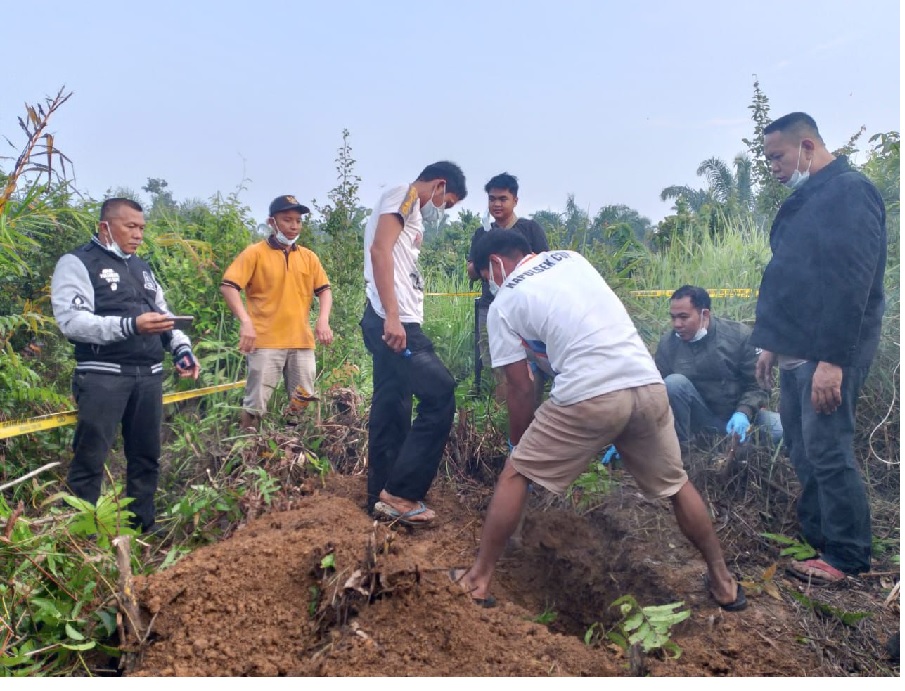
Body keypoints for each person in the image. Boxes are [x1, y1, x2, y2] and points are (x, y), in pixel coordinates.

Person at [451, 230, 745, 611]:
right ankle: (724, 584)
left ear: (495, 264)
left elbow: (520, 386)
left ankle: (476, 581)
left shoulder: (504, 302)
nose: (489, 285)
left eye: (486, 277)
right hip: (647, 384)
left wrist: (519, 447)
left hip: (591, 393)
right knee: (677, 485)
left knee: (515, 473)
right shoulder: (572, 259)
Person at [752, 112, 886, 584]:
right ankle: (817, 540)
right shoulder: (812, 196)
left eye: (777, 156)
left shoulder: (849, 192)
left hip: (828, 350)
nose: (771, 165)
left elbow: (852, 283)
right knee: (800, 445)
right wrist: (771, 343)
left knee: (828, 448)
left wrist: (833, 361)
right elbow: (793, 275)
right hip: (797, 346)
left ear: (807, 147)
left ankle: (847, 555)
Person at [50, 198, 200, 534]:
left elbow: (164, 314)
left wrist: (181, 349)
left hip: (148, 377)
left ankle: (141, 527)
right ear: (106, 227)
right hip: (104, 376)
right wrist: (130, 325)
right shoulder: (77, 263)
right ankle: (80, 536)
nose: (138, 235)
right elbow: (71, 321)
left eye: (142, 228)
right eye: (130, 227)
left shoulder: (142, 267)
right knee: (90, 458)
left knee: (146, 457)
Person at [360, 161, 467, 525]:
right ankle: (402, 494)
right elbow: (379, 251)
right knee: (440, 393)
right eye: (447, 202)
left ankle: (380, 495)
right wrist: (392, 314)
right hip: (393, 321)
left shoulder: (410, 212)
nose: (444, 210)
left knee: (393, 406)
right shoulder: (404, 194)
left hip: (391, 319)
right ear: (439, 185)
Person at [220, 195, 333, 430]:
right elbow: (229, 286)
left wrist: (323, 320)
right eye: (287, 220)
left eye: (298, 221)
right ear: (272, 222)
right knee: (255, 405)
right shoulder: (255, 253)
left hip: (301, 342)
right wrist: (245, 322)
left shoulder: (308, 257)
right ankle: (246, 454)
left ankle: (291, 452)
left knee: (302, 401)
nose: (294, 226)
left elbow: (324, 290)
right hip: (265, 341)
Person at [654, 285, 782, 448]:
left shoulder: (738, 336)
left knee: (783, 432)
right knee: (673, 383)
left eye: (684, 317)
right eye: (673, 318)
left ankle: (734, 443)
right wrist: (637, 436)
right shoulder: (668, 344)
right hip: (697, 420)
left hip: (739, 415)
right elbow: (654, 394)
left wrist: (743, 412)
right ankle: (686, 449)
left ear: (704, 314)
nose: (677, 324)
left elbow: (758, 384)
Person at [466, 173, 549, 403]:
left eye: (503, 199)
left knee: (531, 363)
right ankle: (503, 418)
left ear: (515, 200)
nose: (497, 204)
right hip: (490, 309)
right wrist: (485, 259)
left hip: (526, 309)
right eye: (492, 199)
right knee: (497, 364)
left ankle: (532, 414)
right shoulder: (482, 232)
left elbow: (543, 266)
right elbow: (472, 272)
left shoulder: (530, 229)